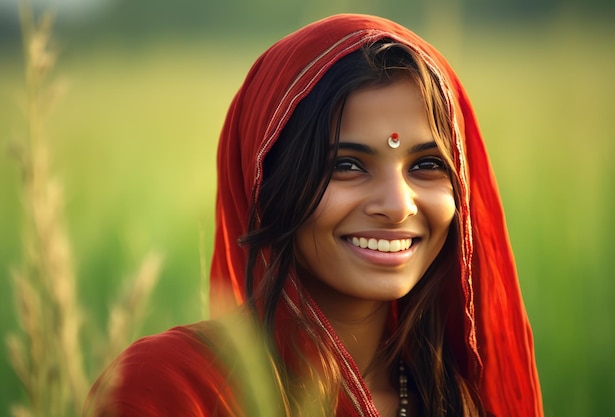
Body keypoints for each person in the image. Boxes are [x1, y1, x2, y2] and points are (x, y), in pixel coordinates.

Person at [84, 13, 543, 417]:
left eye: (426, 165)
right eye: (347, 165)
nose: (398, 204)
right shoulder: (170, 391)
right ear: (267, 184)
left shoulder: (454, 401)